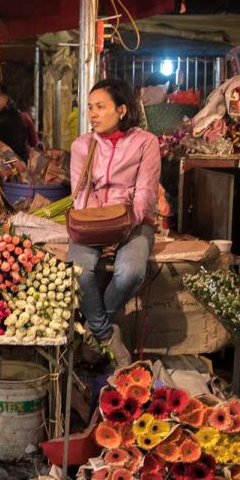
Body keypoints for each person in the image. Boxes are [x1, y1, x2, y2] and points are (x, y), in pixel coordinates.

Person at [68, 78, 161, 367]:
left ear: (122, 109)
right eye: (90, 107)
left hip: (135, 221)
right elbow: (81, 193)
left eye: (100, 107)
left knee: (130, 273)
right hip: (92, 222)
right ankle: (108, 335)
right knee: (78, 273)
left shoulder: (146, 142)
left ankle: (95, 332)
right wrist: (103, 228)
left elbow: (145, 191)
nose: (92, 113)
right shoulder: (82, 145)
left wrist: (123, 226)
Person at [0, 85, 30, 162]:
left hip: (14, 163)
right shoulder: (3, 115)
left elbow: (16, 148)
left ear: (5, 99)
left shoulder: (11, 118)